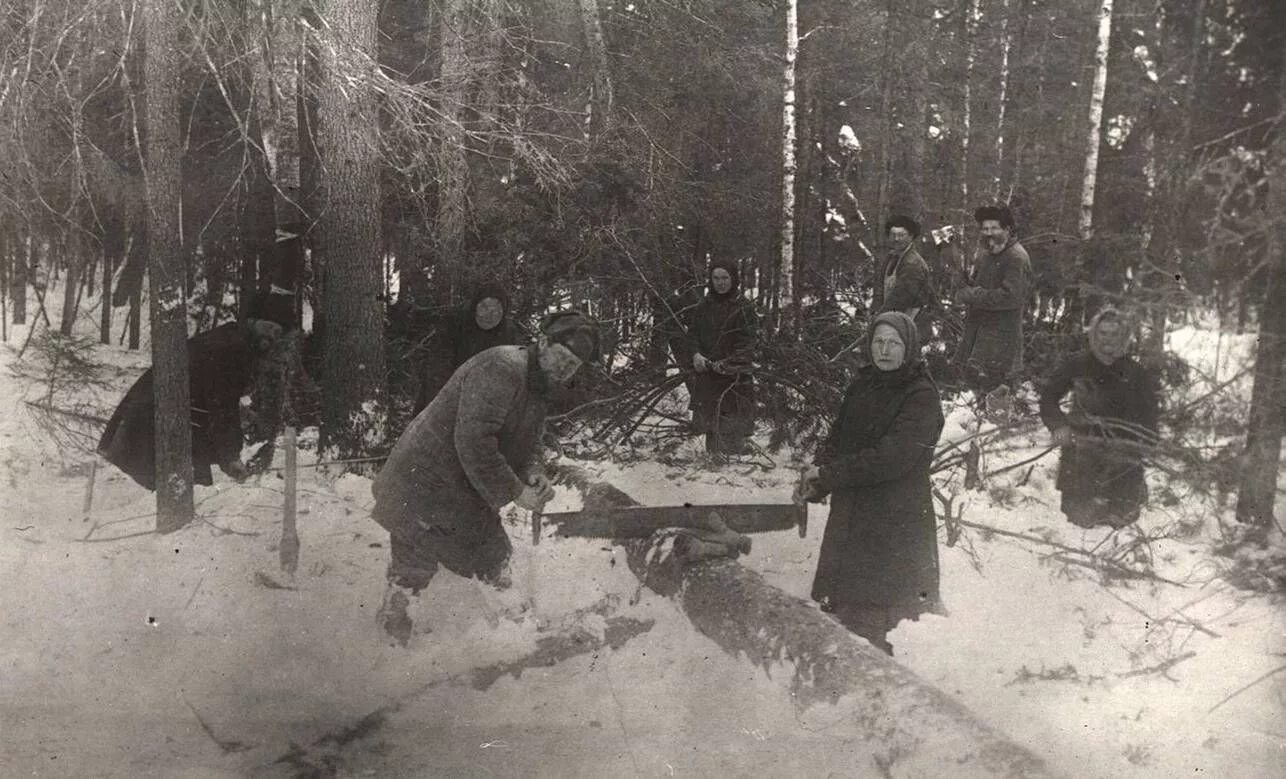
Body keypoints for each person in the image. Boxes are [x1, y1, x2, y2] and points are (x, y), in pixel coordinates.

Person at [371, 310, 601, 645]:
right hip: (424, 481)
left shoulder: (538, 385)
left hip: (459, 489)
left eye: (573, 366)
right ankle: (387, 652)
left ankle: (509, 639)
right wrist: (515, 491)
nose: (565, 370)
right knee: (413, 569)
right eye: (562, 358)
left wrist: (533, 473)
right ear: (541, 342)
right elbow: (474, 442)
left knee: (496, 560)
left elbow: (528, 443)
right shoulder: (502, 369)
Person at [795, 311, 945, 656]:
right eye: (878, 341)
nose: (885, 350)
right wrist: (820, 478)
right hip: (852, 516)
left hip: (894, 522)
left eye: (894, 343)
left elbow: (891, 458)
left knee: (880, 622)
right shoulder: (864, 383)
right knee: (842, 615)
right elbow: (839, 437)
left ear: (909, 348)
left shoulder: (921, 396)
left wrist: (832, 475)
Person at [97, 318, 284, 491]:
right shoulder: (233, 349)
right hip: (155, 416)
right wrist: (230, 457)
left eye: (277, 331)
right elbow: (222, 407)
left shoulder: (232, 336)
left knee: (193, 484)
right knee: (169, 489)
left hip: (174, 414)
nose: (271, 336)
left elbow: (216, 397)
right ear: (253, 322)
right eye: (268, 326)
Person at [1038, 308, 1160, 529]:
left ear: (1124, 337)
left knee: (1121, 524)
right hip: (1081, 455)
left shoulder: (1136, 373)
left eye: (1114, 334)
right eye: (1103, 333)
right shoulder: (1077, 365)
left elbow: (1150, 417)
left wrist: (1144, 446)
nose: (1108, 340)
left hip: (1123, 458)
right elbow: (1048, 398)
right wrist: (1058, 426)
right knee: (1079, 523)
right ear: (1094, 335)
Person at [951, 205, 1033, 394]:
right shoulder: (988, 254)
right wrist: (963, 282)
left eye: (994, 228)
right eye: (985, 229)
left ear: (1007, 229)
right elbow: (982, 287)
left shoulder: (1016, 258)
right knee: (976, 401)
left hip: (1002, 344)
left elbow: (1009, 297)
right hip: (980, 341)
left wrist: (970, 294)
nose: (989, 233)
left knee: (998, 403)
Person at [413, 282, 522, 414]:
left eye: (497, 310)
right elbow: (438, 367)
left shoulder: (508, 335)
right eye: (484, 307)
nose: (489, 314)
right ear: (475, 306)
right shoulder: (454, 324)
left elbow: (512, 375)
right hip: (446, 393)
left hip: (484, 402)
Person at [687, 259, 759, 454]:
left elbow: (748, 343)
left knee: (731, 428)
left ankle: (732, 463)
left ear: (733, 279)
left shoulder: (743, 307)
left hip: (734, 379)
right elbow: (692, 334)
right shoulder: (703, 306)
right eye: (716, 278)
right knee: (711, 427)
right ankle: (714, 463)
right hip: (708, 376)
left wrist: (728, 363)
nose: (720, 283)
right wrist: (696, 355)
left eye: (725, 278)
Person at [874, 215, 936, 344]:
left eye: (901, 235)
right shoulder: (892, 257)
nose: (896, 239)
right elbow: (880, 287)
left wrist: (878, 319)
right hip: (894, 319)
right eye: (893, 235)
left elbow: (900, 297)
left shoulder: (912, 263)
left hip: (911, 324)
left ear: (911, 236)